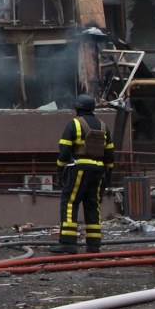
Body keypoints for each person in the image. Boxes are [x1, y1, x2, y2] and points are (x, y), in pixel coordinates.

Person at [51, 94, 115, 254]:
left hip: (79, 170)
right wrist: (108, 174)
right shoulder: (103, 126)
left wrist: (60, 169)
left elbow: (64, 151)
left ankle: (68, 243)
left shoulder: (74, 124)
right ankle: (94, 245)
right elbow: (110, 154)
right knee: (93, 205)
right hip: (99, 172)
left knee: (70, 202)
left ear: (78, 108)